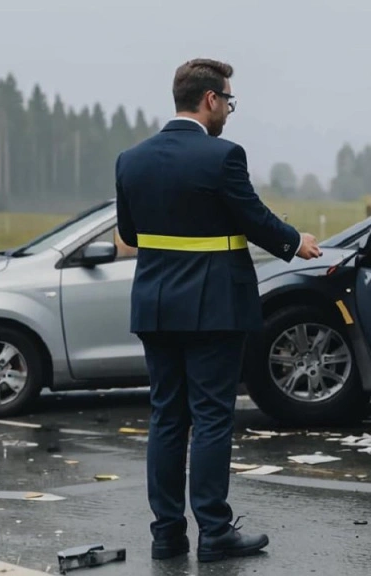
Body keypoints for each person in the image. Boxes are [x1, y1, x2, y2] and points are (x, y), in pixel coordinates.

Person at [114, 58, 322, 563]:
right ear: (209, 99)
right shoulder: (223, 156)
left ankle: (166, 534)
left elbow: (132, 234)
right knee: (211, 418)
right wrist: (297, 242)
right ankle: (214, 532)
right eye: (228, 100)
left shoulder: (131, 160)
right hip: (214, 309)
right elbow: (253, 218)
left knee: (167, 417)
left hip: (156, 306)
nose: (229, 110)